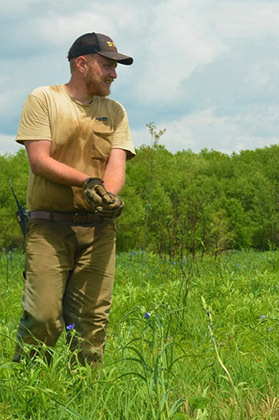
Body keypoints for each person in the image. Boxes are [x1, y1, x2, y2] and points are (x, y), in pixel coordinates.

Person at [12, 32, 135, 366]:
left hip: (98, 232)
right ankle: (27, 388)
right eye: (107, 65)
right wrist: (88, 182)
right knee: (42, 316)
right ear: (82, 64)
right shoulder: (44, 99)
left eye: (115, 67)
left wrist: (107, 196)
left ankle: (86, 393)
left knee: (91, 323)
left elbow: (117, 162)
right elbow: (39, 161)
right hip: (49, 228)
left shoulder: (116, 110)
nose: (113, 73)